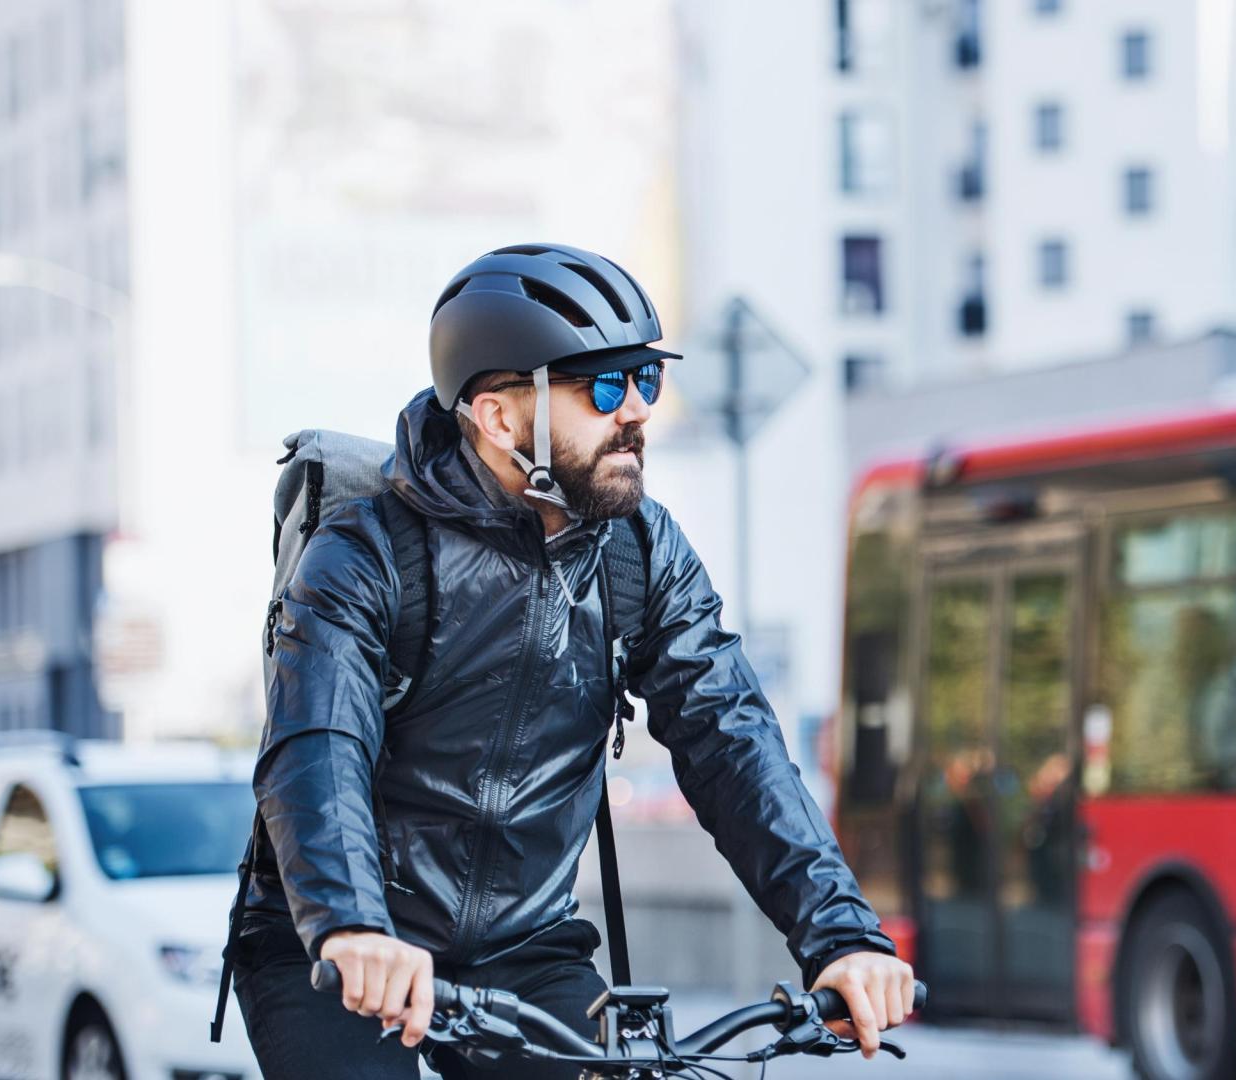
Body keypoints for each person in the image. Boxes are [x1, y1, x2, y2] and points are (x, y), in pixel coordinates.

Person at [234, 244, 913, 1079]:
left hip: (524, 948)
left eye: (645, 382)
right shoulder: (367, 553)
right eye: (600, 386)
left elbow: (731, 741)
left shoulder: (640, 551)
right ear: (496, 416)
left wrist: (840, 933)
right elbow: (318, 745)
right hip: (345, 941)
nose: (635, 412)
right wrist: (352, 925)